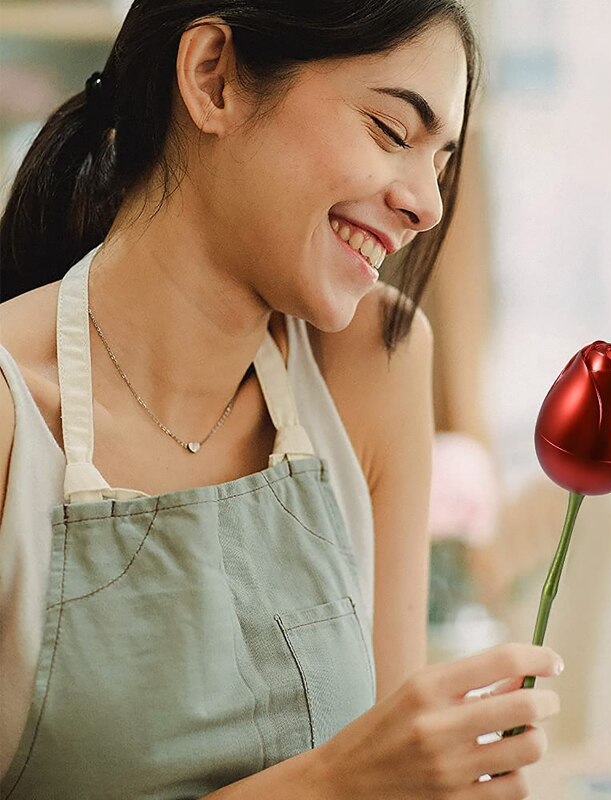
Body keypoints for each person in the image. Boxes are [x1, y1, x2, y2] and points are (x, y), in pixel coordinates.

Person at [0, 2, 563, 797]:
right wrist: (330, 783)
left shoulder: (375, 365)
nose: (428, 206)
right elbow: (360, 778)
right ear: (213, 78)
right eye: (391, 131)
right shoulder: (13, 414)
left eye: (440, 164)